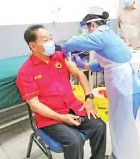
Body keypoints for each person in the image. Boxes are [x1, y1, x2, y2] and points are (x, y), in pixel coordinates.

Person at [62, 7, 140, 159]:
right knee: (121, 125)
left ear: (92, 25)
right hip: (130, 85)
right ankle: (118, 155)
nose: (88, 32)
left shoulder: (101, 35)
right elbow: (106, 63)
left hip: (127, 88)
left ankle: (122, 156)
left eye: (88, 28)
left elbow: (75, 42)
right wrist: (85, 65)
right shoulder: (109, 34)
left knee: (124, 127)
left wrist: (64, 48)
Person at [16, 25, 107, 159]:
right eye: (45, 40)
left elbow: (80, 75)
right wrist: (62, 118)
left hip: (73, 107)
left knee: (99, 126)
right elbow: (34, 105)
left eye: (51, 38)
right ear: (33, 46)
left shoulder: (60, 57)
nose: (51, 43)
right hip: (50, 117)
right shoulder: (25, 72)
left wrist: (89, 99)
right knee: (75, 141)